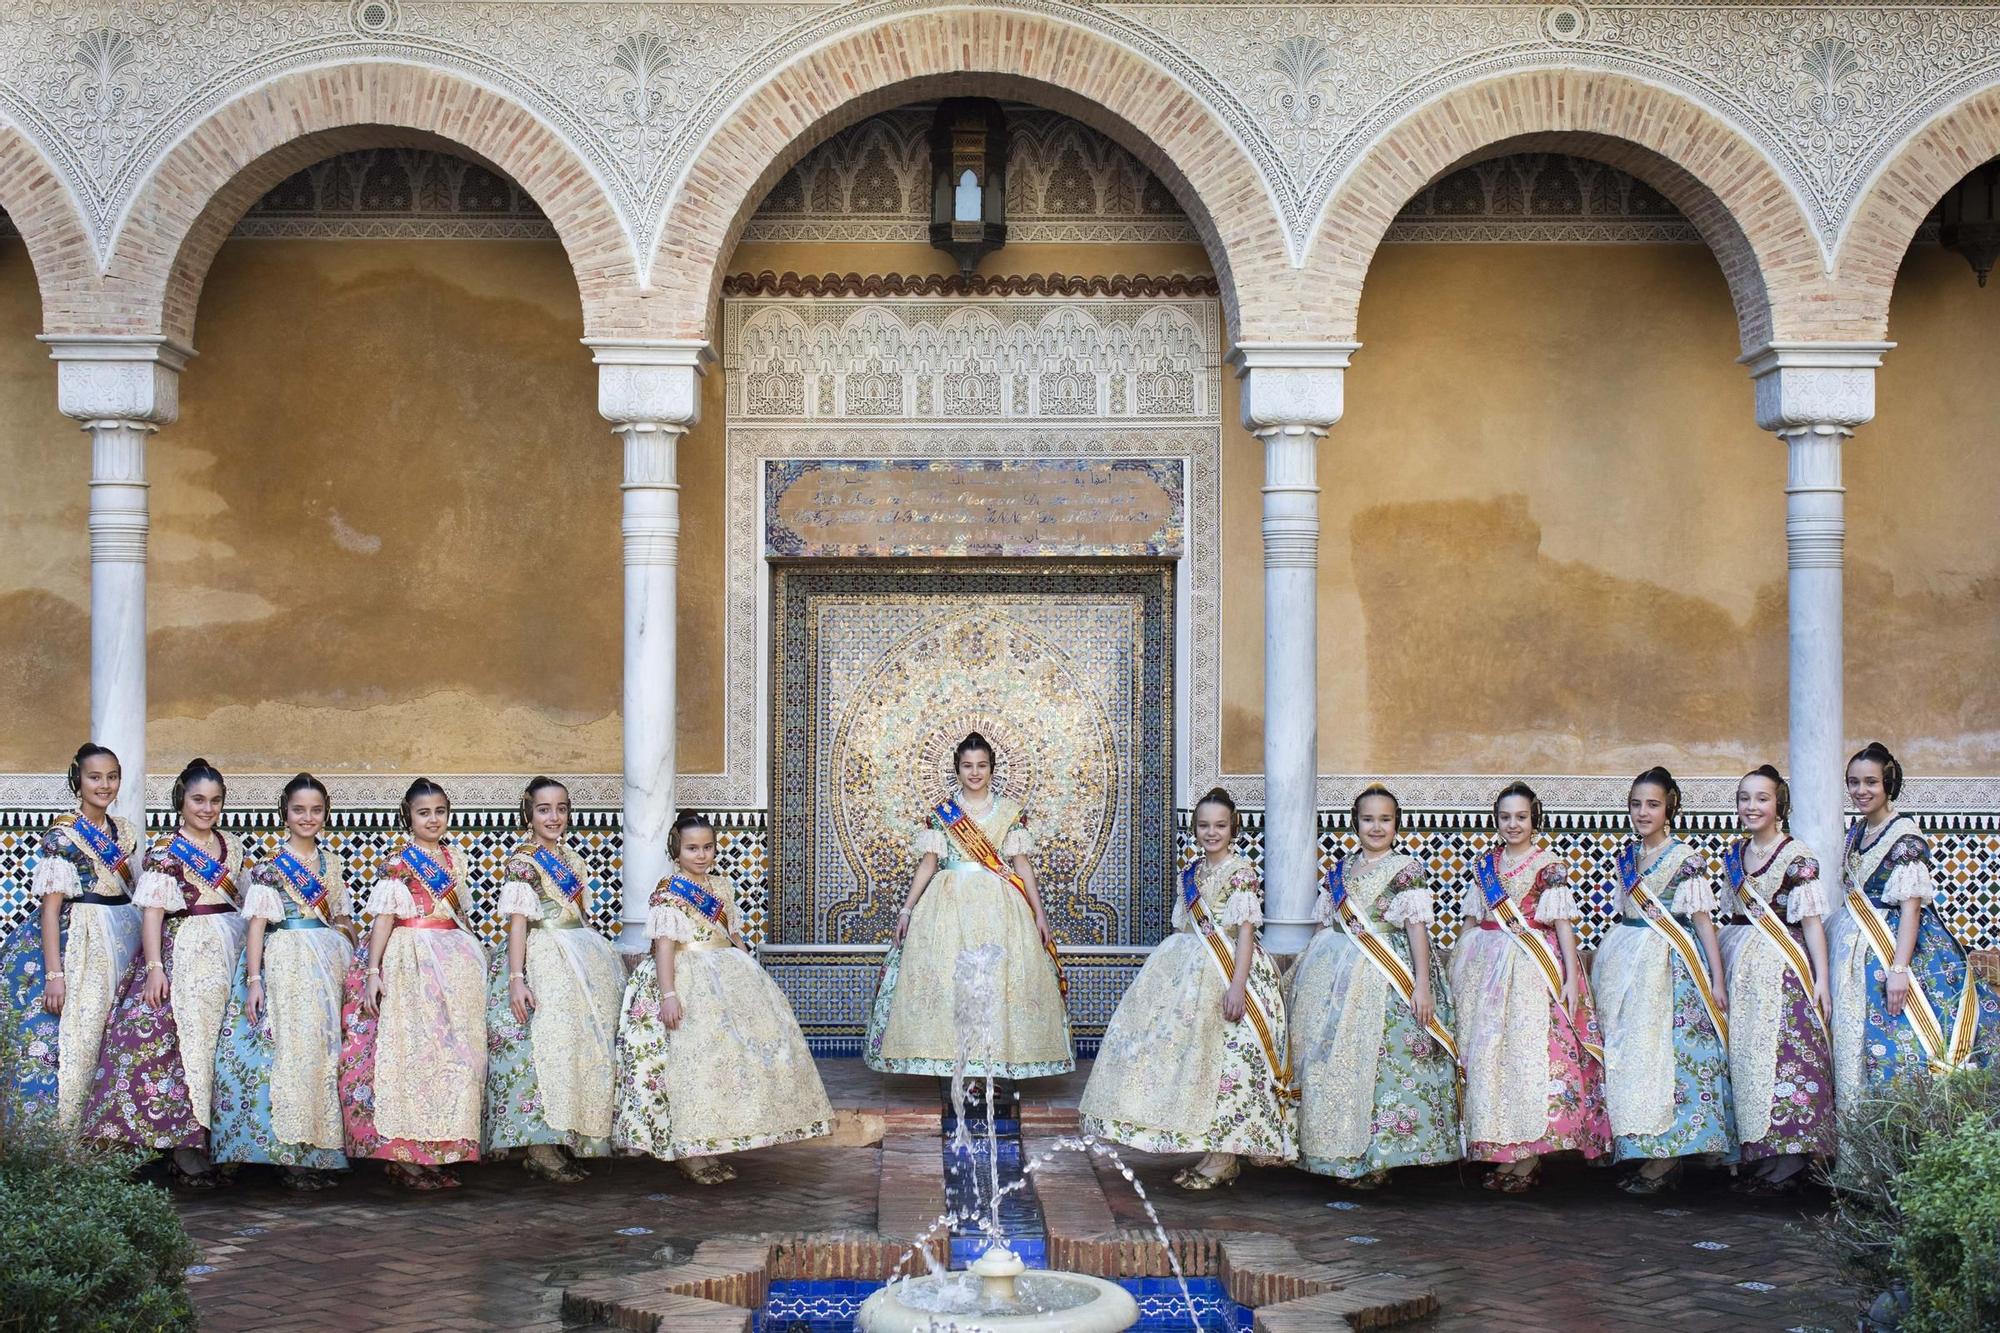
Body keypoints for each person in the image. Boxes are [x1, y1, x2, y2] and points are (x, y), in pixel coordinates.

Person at [1080, 787, 1297, 1190]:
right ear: (1194, 829)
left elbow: (1246, 934)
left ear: (1233, 827)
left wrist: (1237, 986)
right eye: (1203, 826)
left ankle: (1224, 1155)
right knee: (1190, 1062)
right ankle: (1208, 1148)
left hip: (1230, 974)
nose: (1211, 832)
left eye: (1219, 825)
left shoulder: (1242, 872)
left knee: (1229, 1064)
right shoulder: (1191, 873)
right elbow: (1186, 924)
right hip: (1185, 972)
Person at [613, 812, 832, 1180]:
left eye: (708, 847)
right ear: (676, 850)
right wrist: (669, 994)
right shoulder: (670, 890)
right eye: (692, 848)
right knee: (694, 1063)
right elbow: (664, 947)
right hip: (686, 975)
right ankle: (689, 1150)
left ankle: (713, 1141)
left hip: (725, 970)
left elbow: (732, 934)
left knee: (727, 1064)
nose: (701, 855)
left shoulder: (722, 886)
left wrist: (750, 970)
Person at [865, 732, 1073, 1078]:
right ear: (957, 770)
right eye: (967, 766)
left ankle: (997, 1061)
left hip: (1001, 905)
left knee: (996, 980)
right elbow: (929, 863)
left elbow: (1021, 864)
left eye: (981, 765)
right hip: (948, 903)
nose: (975, 772)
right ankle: (949, 1063)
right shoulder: (943, 813)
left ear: (992, 769)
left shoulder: (1009, 812)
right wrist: (906, 910)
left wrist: (1039, 913)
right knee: (950, 979)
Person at [82, 758, 248, 1187]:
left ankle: (218, 1144)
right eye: (198, 800)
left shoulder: (234, 845)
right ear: (180, 801)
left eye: (214, 801)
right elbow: (153, 915)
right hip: (185, 952)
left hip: (228, 952)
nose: (207, 809)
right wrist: (155, 969)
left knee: (220, 1049)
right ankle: (185, 1152)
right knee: (183, 1049)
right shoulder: (163, 851)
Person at [1289, 784, 1459, 1187]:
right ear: (1355, 823)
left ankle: (1379, 1159)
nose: (1376, 827)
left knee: (1383, 1064)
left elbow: (1416, 928)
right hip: (1337, 973)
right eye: (1368, 819)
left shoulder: (1406, 869)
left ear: (1397, 824)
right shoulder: (1340, 870)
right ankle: (1337, 1153)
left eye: (1385, 819)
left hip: (1387, 976)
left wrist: (1422, 984)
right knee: (1336, 1062)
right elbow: (1325, 923)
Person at [1451, 781, 1610, 1193]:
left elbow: (1562, 923)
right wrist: (1457, 961)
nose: (1512, 824)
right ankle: (1503, 1151)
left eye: (1521, 816)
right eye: (1505, 817)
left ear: (1534, 818)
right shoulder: (1486, 863)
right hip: (1484, 970)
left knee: (1527, 1059)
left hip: (1531, 971)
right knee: (1491, 1062)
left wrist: (1573, 979)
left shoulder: (1549, 864)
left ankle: (1529, 1158)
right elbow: (1473, 915)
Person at [1830, 743, 1998, 1114]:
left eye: (1871, 782)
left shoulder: (1905, 837)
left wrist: (1900, 969)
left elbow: (1910, 909)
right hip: (1857, 943)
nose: (1861, 790)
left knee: (1903, 1039)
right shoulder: (1858, 831)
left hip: (1899, 947)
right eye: (1854, 782)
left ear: (1889, 783)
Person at [1592, 767, 1736, 1194]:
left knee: (1665, 1060)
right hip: (1625, 961)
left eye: (1652, 804)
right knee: (1630, 1057)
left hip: (1669, 967)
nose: (1642, 812)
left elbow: (1702, 921)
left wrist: (1717, 978)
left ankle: (1667, 1157)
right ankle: (1640, 1148)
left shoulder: (1684, 858)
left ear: (1670, 807)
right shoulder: (1627, 857)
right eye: (1636, 804)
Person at [339, 779, 487, 1190]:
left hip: (452, 961)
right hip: (410, 960)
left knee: (451, 1056)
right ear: (409, 816)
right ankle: (404, 1158)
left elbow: (459, 915)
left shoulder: (454, 858)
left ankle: (438, 1150)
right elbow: (384, 918)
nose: (433, 819)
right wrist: (373, 973)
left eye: (440, 811)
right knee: (412, 1056)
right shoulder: (398, 861)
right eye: (424, 813)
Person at [210, 773, 353, 1189]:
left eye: (316, 810)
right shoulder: (271, 869)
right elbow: (257, 926)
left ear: (325, 814)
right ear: (284, 813)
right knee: (291, 1055)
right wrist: (254, 979)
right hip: (286, 964)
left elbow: (341, 911)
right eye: (299, 810)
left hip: (326, 965)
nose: (307, 817)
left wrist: (343, 935)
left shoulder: (332, 862)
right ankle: (289, 1156)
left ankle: (320, 1153)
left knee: (324, 1055)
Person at [484, 777, 624, 1182]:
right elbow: (517, 924)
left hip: (580, 957)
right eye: (544, 809)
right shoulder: (522, 861)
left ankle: (568, 1137)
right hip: (542, 958)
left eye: (561, 808)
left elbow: (578, 913)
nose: (554, 817)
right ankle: (540, 1147)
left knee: (575, 1049)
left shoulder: (572, 861)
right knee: (542, 1051)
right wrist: (516, 977)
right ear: (529, 812)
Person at [0, 744, 142, 1130]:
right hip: (75, 940)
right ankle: (57, 1133)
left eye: (112, 776)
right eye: (95, 777)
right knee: (65, 1035)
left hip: (116, 938)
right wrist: (54, 974)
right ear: (77, 780)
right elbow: (50, 909)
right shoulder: (62, 836)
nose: (105, 785)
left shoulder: (124, 831)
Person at [1716, 765, 1834, 1195]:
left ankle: (1790, 1162)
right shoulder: (1734, 853)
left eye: (1762, 798)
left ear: (1779, 805)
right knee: (1746, 1062)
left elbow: (1812, 922)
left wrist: (1820, 979)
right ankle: (1759, 1156)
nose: (1751, 806)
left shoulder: (1797, 856)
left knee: (1785, 1058)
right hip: (1739, 964)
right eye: (1745, 798)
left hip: (1782, 969)